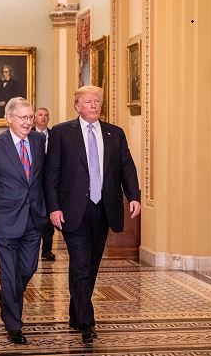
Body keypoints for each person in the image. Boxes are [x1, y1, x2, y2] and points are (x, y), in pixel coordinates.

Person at [44, 85, 141, 344]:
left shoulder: (115, 133)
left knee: (92, 264)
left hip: (104, 207)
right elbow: (51, 173)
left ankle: (76, 313)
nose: (94, 106)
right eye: (88, 102)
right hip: (73, 210)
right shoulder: (62, 133)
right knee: (80, 264)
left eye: (97, 101)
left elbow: (126, 166)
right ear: (77, 106)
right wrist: (54, 207)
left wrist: (134, 196)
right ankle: (87, 322)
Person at [0, 97, 47, 345]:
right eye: (23, 117)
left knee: (28, 269)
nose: (28, 122)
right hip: (4, 219)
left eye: (30, 117)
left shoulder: (38, 141)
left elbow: (42, 178)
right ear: (9, 119)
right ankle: (14, 325)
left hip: (34, 218)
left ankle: (5, 296)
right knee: (9, 272)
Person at [33, 107, 55, 262]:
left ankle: (47, 250)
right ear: (34, 118)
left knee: (49, 216)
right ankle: (31, 249)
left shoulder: (55, 135)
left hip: (50, 183)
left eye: (46, 115)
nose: (43, 117)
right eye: (40, 115)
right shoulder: (29, 134)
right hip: (33, 182)